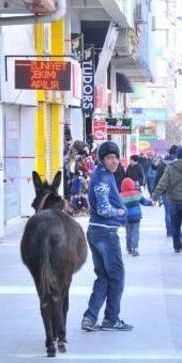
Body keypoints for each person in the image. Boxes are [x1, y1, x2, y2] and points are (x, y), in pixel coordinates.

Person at [81, 141, 133, 332]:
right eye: (109, 157)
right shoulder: (102, 177)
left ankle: (90, 317)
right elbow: (103, 208)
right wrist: (121, 212)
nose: (114, 161)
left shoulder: (105, 175)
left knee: (103, 276)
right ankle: (111, 318)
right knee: (117, 276)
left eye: (116, 157)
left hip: (97, 231)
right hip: (105, 232)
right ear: (102, 159)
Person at [120, 177, 153, 256]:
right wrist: (151, 203)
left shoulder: (121, 196)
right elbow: (144, 202)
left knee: (128, 233)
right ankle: (135, 248)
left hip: (126, 217)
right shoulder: (137, 193)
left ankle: (129, 248)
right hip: (136, 216)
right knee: (135, 232)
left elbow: (118, 205)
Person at [154, 145, 179, 237]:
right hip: (176, 191)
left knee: (167, 212)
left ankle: (169, 231)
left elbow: (157, 177)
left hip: (165, 191)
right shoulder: (178, 163)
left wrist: (155, 191)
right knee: (176, 211)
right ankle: (175, 229)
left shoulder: (162, 163)